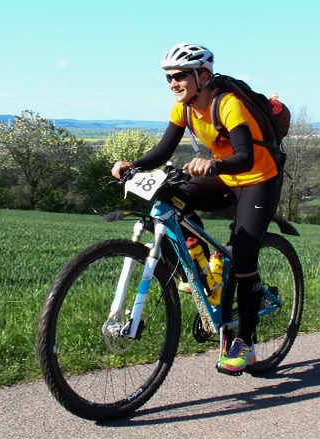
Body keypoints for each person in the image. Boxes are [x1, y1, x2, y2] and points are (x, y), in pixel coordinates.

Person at [111, 43, 282, 374]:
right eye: (169, 78)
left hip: (258, 179)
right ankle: (204, 270)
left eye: (180, 76)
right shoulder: (184, 108)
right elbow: (163, 151)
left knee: (244, 254)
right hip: (225, 176)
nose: (173, 83)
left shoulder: (228, 104)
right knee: (171, 197)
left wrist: (212, 166)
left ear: (202, 77)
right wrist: (134, 165)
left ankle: (245, 343)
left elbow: (245, 157)